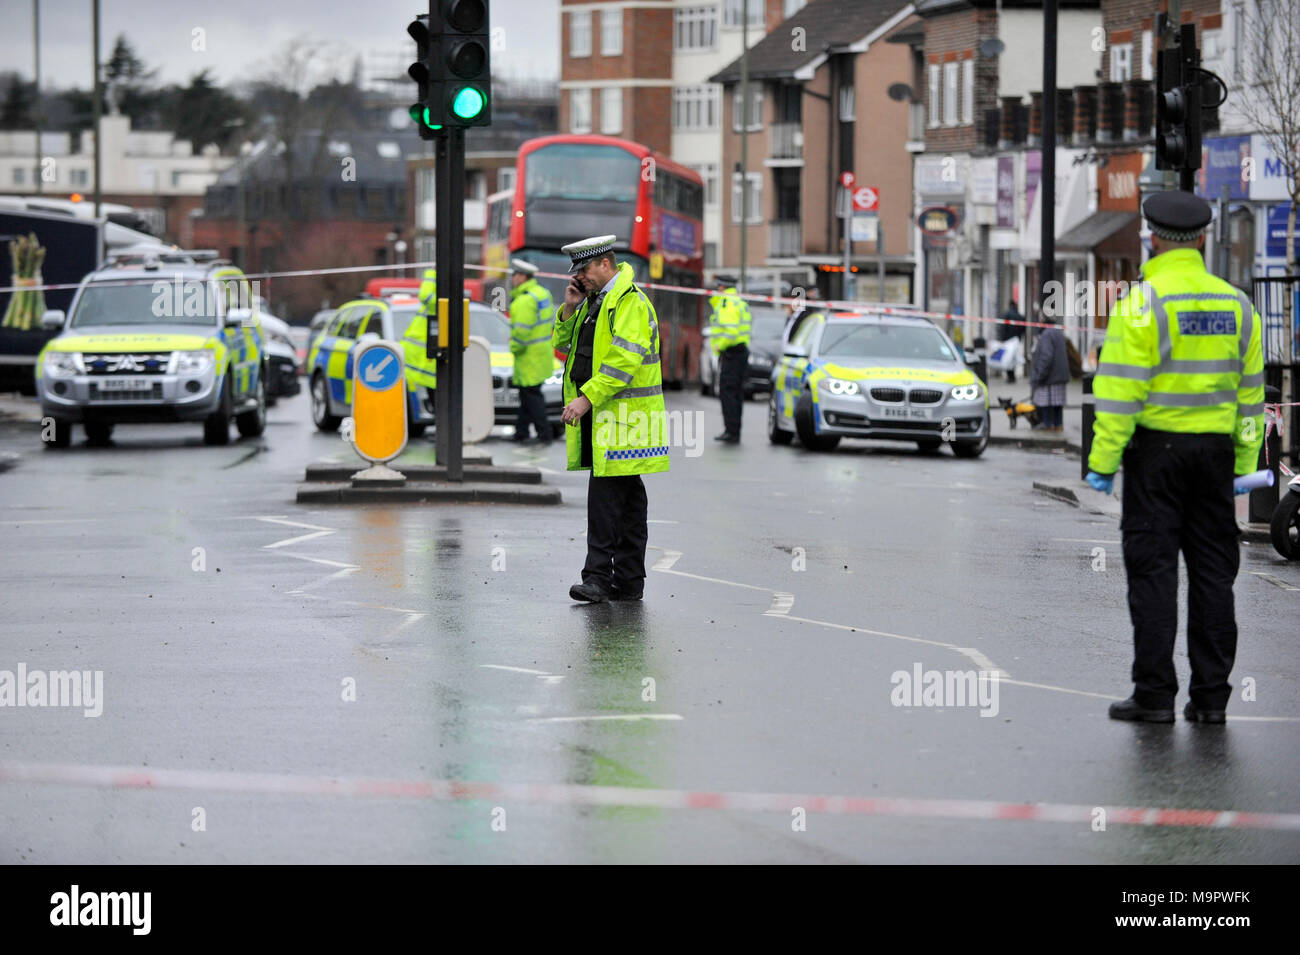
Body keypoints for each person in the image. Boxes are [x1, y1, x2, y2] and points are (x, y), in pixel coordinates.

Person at [1085, 190, 1265, 725]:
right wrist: (1243, 462)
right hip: (1214, 458)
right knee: (1214, 577)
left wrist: (1102, 462)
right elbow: (1250, 395)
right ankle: (1211, 700)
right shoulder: (1237, 304)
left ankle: (1155, 694)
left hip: (1155, 458)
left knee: (1154, 573)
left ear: (1153, 237)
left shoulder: (1141, 304)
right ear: (1204, 238)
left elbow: (1120, 394)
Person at [552, 235, 669, 603]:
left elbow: (623, 362)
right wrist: (570, 309)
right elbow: (565, 346)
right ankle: (630, 580)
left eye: (584, 269)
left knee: (604, 501)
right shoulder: (594, 304)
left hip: (623, 420)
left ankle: (598, 578)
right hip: (611, 418)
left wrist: (586, 400)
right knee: (629, 502)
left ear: (606, 264)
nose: (580, 278)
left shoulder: (629, 303)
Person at [507, 259, 555, 445]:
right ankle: (521, 432)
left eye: (515, 276)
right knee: (527, 396)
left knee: (532, 397)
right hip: (541, 354)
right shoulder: (542, 293)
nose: (513, 279)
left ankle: (544, 434)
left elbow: (521, 333)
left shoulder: (524, 301)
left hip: (528, 357)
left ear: (522, 277)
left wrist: (513, 347)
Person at [707, 274, 751, 443]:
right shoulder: (738, 300)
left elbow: (731, 331)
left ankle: (731, 431)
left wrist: (720, 346)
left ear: (722, 287)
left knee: (728, 393)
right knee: (736, 393)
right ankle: (734, 430)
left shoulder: (727, 302)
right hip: (740, 352)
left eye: (718, 286)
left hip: (731, 353)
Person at [401, 267, 439, 409]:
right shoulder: (437, 304)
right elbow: (425, 295)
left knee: (437, 405)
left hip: (424, 361)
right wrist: (431, 274)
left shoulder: (438, 306)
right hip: (419, 359)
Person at [1029, 314, 1070, 432]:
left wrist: (1039, 375)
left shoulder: (1046, 335)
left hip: (1049, 377)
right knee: (1058, 404)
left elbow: (1046, 357)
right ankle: (1058, 425)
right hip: (1060, 375)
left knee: (1046, 403)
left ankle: (1048, 425)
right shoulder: (1058, 332)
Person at [998, 297, 1024, 382]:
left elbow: (1002, 327)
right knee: (1013, 358)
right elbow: (1023, 326)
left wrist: (1002, 339)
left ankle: (1010, 376)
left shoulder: (1006, 314)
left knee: (1008, 359)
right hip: (1016, 340)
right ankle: (1012, 376)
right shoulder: (1018, 315)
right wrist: (1019, 336)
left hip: (1008, 341)